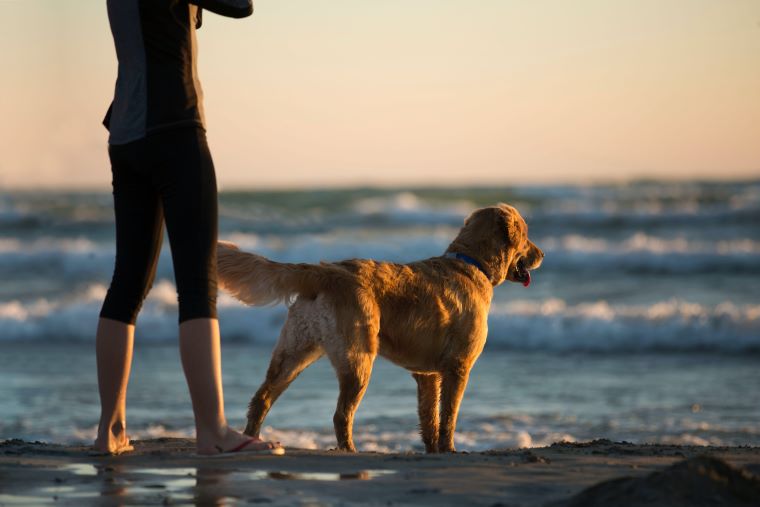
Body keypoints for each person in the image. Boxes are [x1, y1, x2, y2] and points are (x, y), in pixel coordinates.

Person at [94, 0, 282, 456]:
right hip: (175, 127)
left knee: (127, 284)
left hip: (125, 133)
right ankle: (214, 432)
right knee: (197, 287)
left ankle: (110, 431)